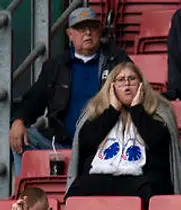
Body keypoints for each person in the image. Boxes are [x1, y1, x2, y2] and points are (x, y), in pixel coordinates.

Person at [10, 7, 129, 152]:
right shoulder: (56, 65)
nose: (87, 33)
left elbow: (135, 93)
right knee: (23, 137)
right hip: (63, 145)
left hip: (106, 146)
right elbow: (34, 99)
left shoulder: (117, 60)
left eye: (92, 27)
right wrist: (18, 120)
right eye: (80, 28)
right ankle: (22, 176)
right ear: (69, 34)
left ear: (99, 30)